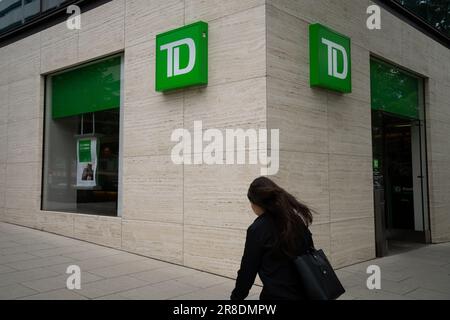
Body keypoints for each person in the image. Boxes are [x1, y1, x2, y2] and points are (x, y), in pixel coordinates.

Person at [230, 176, 314, 300]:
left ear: (256, 203)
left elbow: (247, 271)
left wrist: (236, 298)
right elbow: (309, 250)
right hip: (305, 293)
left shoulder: (257, 229)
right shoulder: (294, 220)